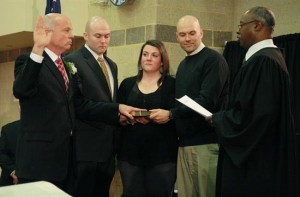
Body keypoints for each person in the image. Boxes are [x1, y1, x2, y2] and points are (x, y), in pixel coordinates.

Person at [206, 6, 298, 197]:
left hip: (256, 164)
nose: (238, 31)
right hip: (264, 158)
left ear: (257, 26)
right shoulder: (271, 59)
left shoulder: (263, 63)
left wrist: (218, 119)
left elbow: (253, 118)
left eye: (241, 25)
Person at [64, 16, 139, 197]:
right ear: (85, 36)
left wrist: (118, 116)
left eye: (107, 36)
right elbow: (78, 105)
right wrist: (116, 109)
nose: (104, 40)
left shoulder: (111, 64)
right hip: (86, 147)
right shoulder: (72, 61)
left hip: (109, 147)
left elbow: (108, 102)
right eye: (98, 36)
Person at [12, 13, 76, 194]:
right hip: (39, 162)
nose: (72, 35)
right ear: (48, 32)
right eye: (66, 30)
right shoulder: (28, 60)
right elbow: (21, 90)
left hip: (66, 162)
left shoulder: (67, 64)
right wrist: (38, 48)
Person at [172, 15, 229, 197]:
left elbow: (206, 102)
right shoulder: (182, 65)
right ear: (177, 37)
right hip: (184, 145)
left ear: (201, 33)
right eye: (182, 34)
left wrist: (171, 114)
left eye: (192, 33)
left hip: (206, 144)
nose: (187, 38)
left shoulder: (213, 60)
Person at [117, 40, 178, 197]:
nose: (148, 58)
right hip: (130, 155)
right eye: (145, 54)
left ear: (162, 61)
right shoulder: (127, 84)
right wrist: (124, 118)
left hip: (162, 156)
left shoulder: (172, 85)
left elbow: (179, 114)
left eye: (154, 55)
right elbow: (116, 113)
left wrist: (168, 115)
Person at [0, 120, 20, 186]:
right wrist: (12, 172)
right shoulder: (8, 129)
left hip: (43, 185)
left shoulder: (49, 128)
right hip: (10, 183)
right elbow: (2, 153)